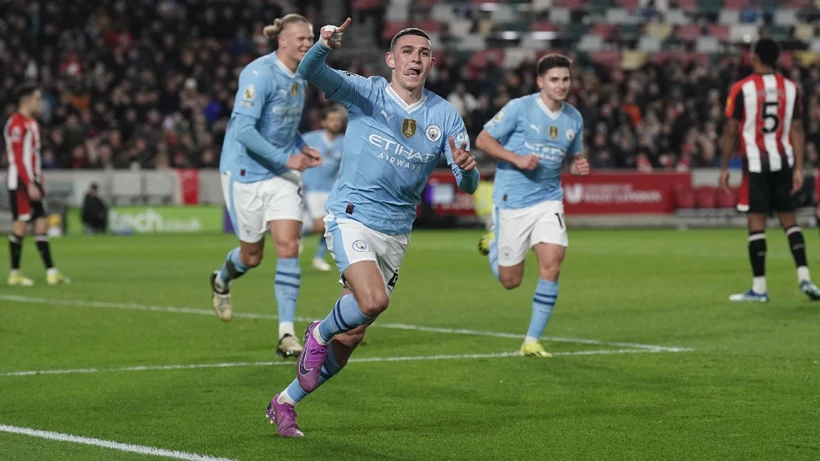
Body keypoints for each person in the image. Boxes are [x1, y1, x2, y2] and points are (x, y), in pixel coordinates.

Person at [265, 19, 479, 438]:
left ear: (431, 62)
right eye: (407, 51)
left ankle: (285, 402)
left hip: (395, 233)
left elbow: (466, 182)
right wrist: (323, 46)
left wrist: (468, 170)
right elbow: (310, 72)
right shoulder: (367, 92)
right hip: (351, 214)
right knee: (373, 300)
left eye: (422, 53)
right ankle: (318, 330)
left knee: (353, 335)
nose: (414, 59)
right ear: (391, 60)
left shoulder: (444, 115)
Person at [209, 14, 322, 359]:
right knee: (251, 256)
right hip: (244, 172)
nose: (307, 43)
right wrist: (288, 158)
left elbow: (283, 123)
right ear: (282, 41)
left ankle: (286, 334)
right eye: (301, 38)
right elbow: (243, 131)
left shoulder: (301, 77)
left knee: (288, 246)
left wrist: (300, 146)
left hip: (280, 177)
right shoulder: (258, 74)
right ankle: (221, 279)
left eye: (310, 38)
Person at [474, 54, 590, 358]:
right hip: (513, 200)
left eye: (565, 79)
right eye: (554, 79)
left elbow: (573, 159)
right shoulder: (519, 108)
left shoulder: (574, 118)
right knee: (511, 281)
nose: (561, 85)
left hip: (548, 199)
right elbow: (484, 140)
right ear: (541, 82)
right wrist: (517, 159)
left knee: (553, 262)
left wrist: (577, 167)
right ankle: (495, 243)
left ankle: (531, 340)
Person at [719, 38, 820, 302]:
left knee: (756, 222)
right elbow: (797, 129)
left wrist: (725, 166)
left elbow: (731, 131)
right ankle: (804, 276)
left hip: (755, 161)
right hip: (784, 160)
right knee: (790, 220)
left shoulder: (741, 88)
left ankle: (760, 288)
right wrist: (798, 167)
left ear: (754, 57)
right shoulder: (791, 87)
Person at [5, 82, 71, 286]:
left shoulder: (32, 123)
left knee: (41, 224)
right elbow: (17, 158)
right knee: (20, 225)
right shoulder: (16, 124)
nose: (40, 102)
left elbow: (34, 157)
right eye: (37, 98)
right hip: (20, 182)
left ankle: (51, 272)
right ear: (27, 100)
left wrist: (40, 181)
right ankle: (15, 273)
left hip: (33, 180)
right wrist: (29, 183)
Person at [299, 104, 346, 271]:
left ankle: (318, 258)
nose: (335, 123)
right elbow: (295, 156)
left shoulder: (344, 142)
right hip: (311, 187)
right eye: (331, 120)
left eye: (338, 120)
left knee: (331, 226)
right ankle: (297, 234)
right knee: (321, 225)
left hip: (331, 189)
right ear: (323, 122)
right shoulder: (310, 139)